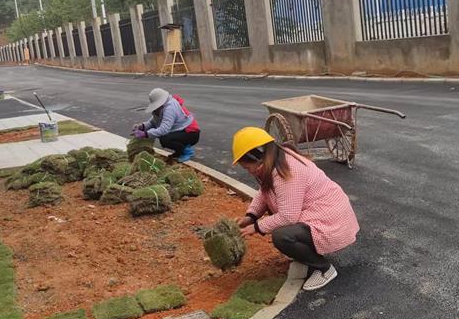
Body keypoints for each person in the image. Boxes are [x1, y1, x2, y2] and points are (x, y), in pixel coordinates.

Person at [231, 127, 359, 291]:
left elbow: (288, 216)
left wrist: (256, 227)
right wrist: (251, 215)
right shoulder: (276, 159)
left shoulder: (287, 171)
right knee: (280, 225)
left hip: (331, 218)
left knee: (282, 236)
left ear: (256, 157)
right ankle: (306, 253)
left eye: (247, 167)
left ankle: (324, 269)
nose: (248, 171)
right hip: (319, 213)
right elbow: (265, 191)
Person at [132, 88, 200, 162]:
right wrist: (142, 126)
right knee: (163, 136)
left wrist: (145, 134)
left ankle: (187, 151)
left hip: (191, 133)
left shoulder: (170, 108)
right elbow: (153, 122)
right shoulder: (161, 108)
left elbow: (164, 129)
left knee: (165, 139)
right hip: (181, 131)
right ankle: (179, 152)